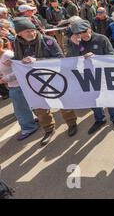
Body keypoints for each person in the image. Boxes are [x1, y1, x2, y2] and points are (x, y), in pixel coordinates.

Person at [12, 18, 78, 146]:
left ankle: (71, 123)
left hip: (54, 79)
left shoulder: (49, 41)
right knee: (40, 107)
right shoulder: (17, 43)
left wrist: (37, 60)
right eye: (27, 32)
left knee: (63, 103)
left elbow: (60, 59)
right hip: (33, 81)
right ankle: (48, 129)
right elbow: (18, 58)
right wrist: (14, 62)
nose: (31, 33)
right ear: (19, 34)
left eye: (32, 30)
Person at [67, 19, 114, 134]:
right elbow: (70, 59)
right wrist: (76, 45)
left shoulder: (102, 38)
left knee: (108, 97)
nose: (83, 35)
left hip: (104, 74)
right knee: (92, 98)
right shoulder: (75, 42)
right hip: (86, 76)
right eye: (79, 33)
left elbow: (111, 55)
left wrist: (96, 57)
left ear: (90, 29)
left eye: (84, 31)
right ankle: (100, 119)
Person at [0, 39, 39, 140]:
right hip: (13, 85)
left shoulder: (7, 55)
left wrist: (6, 78)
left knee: (20, 109)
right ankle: (33, 120)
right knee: (25, 105)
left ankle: (28, 128)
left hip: (19, 84)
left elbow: (21, 68)